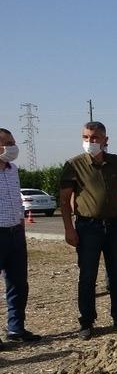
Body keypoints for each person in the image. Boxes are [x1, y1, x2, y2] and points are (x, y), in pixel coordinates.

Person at [60, 121, 117, 340]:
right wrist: (69, 229)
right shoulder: (74, 165)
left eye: (94, 138)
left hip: (113, 226)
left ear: (105, 140)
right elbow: (64, 201)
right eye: (86, 138)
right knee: (88, 275)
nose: (90, 142)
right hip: (88, 226)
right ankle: (87, 321)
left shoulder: (116, 162)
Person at [0, 128, 40, 344]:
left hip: (16, 232)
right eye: (7, 142)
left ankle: (16, 328)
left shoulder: (12, 169)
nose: (12, 146)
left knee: (18, 283)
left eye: (13, 141)